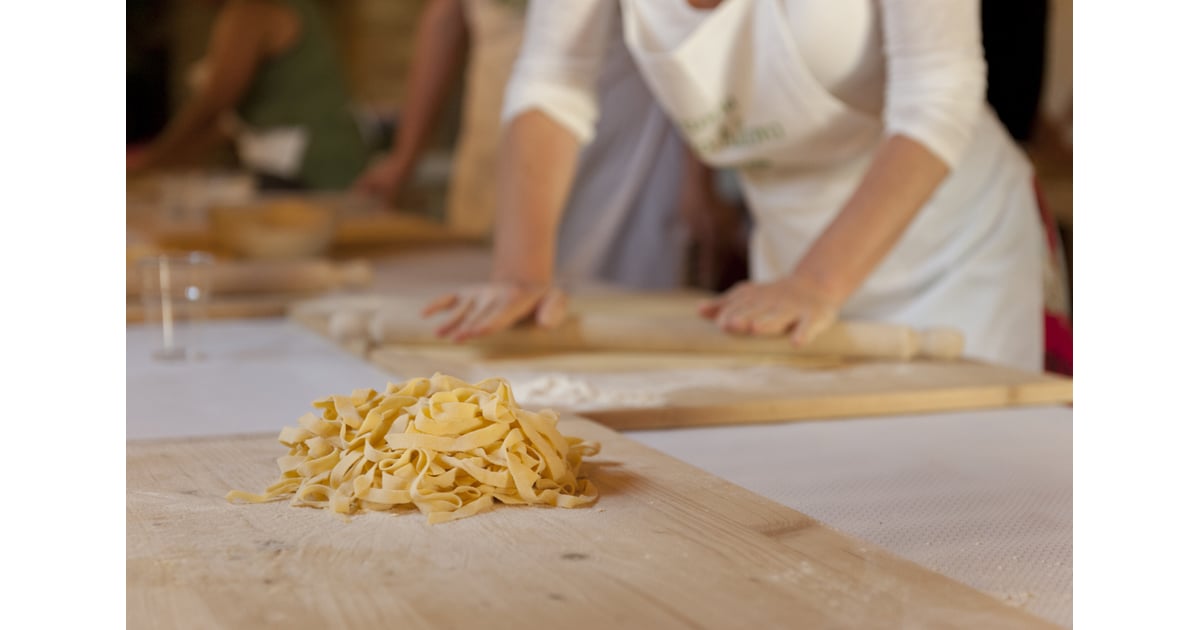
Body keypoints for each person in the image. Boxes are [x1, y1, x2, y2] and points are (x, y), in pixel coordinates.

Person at [423, 0, 1048, 372]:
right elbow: (552, 82)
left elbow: (939, 96)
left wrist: (818, 281)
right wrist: (521, 271)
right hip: (788, 258)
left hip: (955, 253)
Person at [354, 0, 703, 291]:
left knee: (619, 292)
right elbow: (549, 77)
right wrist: (520, 277)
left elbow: (691, 45)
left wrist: (699, 178)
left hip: (615, 132)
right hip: (507, 117)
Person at [127, 0, 368, 191]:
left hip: (311, 169)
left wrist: (148, 164)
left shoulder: (253, 10)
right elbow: (225, 122)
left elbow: (212, 108)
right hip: (308, 163)